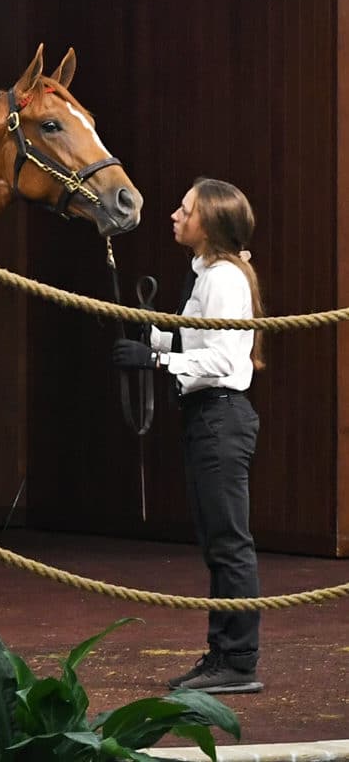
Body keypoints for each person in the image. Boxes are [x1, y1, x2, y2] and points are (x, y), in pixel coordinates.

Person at [112, 178, 264, 695]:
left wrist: (155, 359)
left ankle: (239, 659)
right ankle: (224, 652)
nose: (175, 215)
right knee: (216, 540)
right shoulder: (205, 276)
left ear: (210, 224)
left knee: (229, 541)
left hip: (222, 415)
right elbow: (190, 332)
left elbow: (223, 359)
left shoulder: (224, 277)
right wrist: (144, 333)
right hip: (207, 417)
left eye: (185, 210)